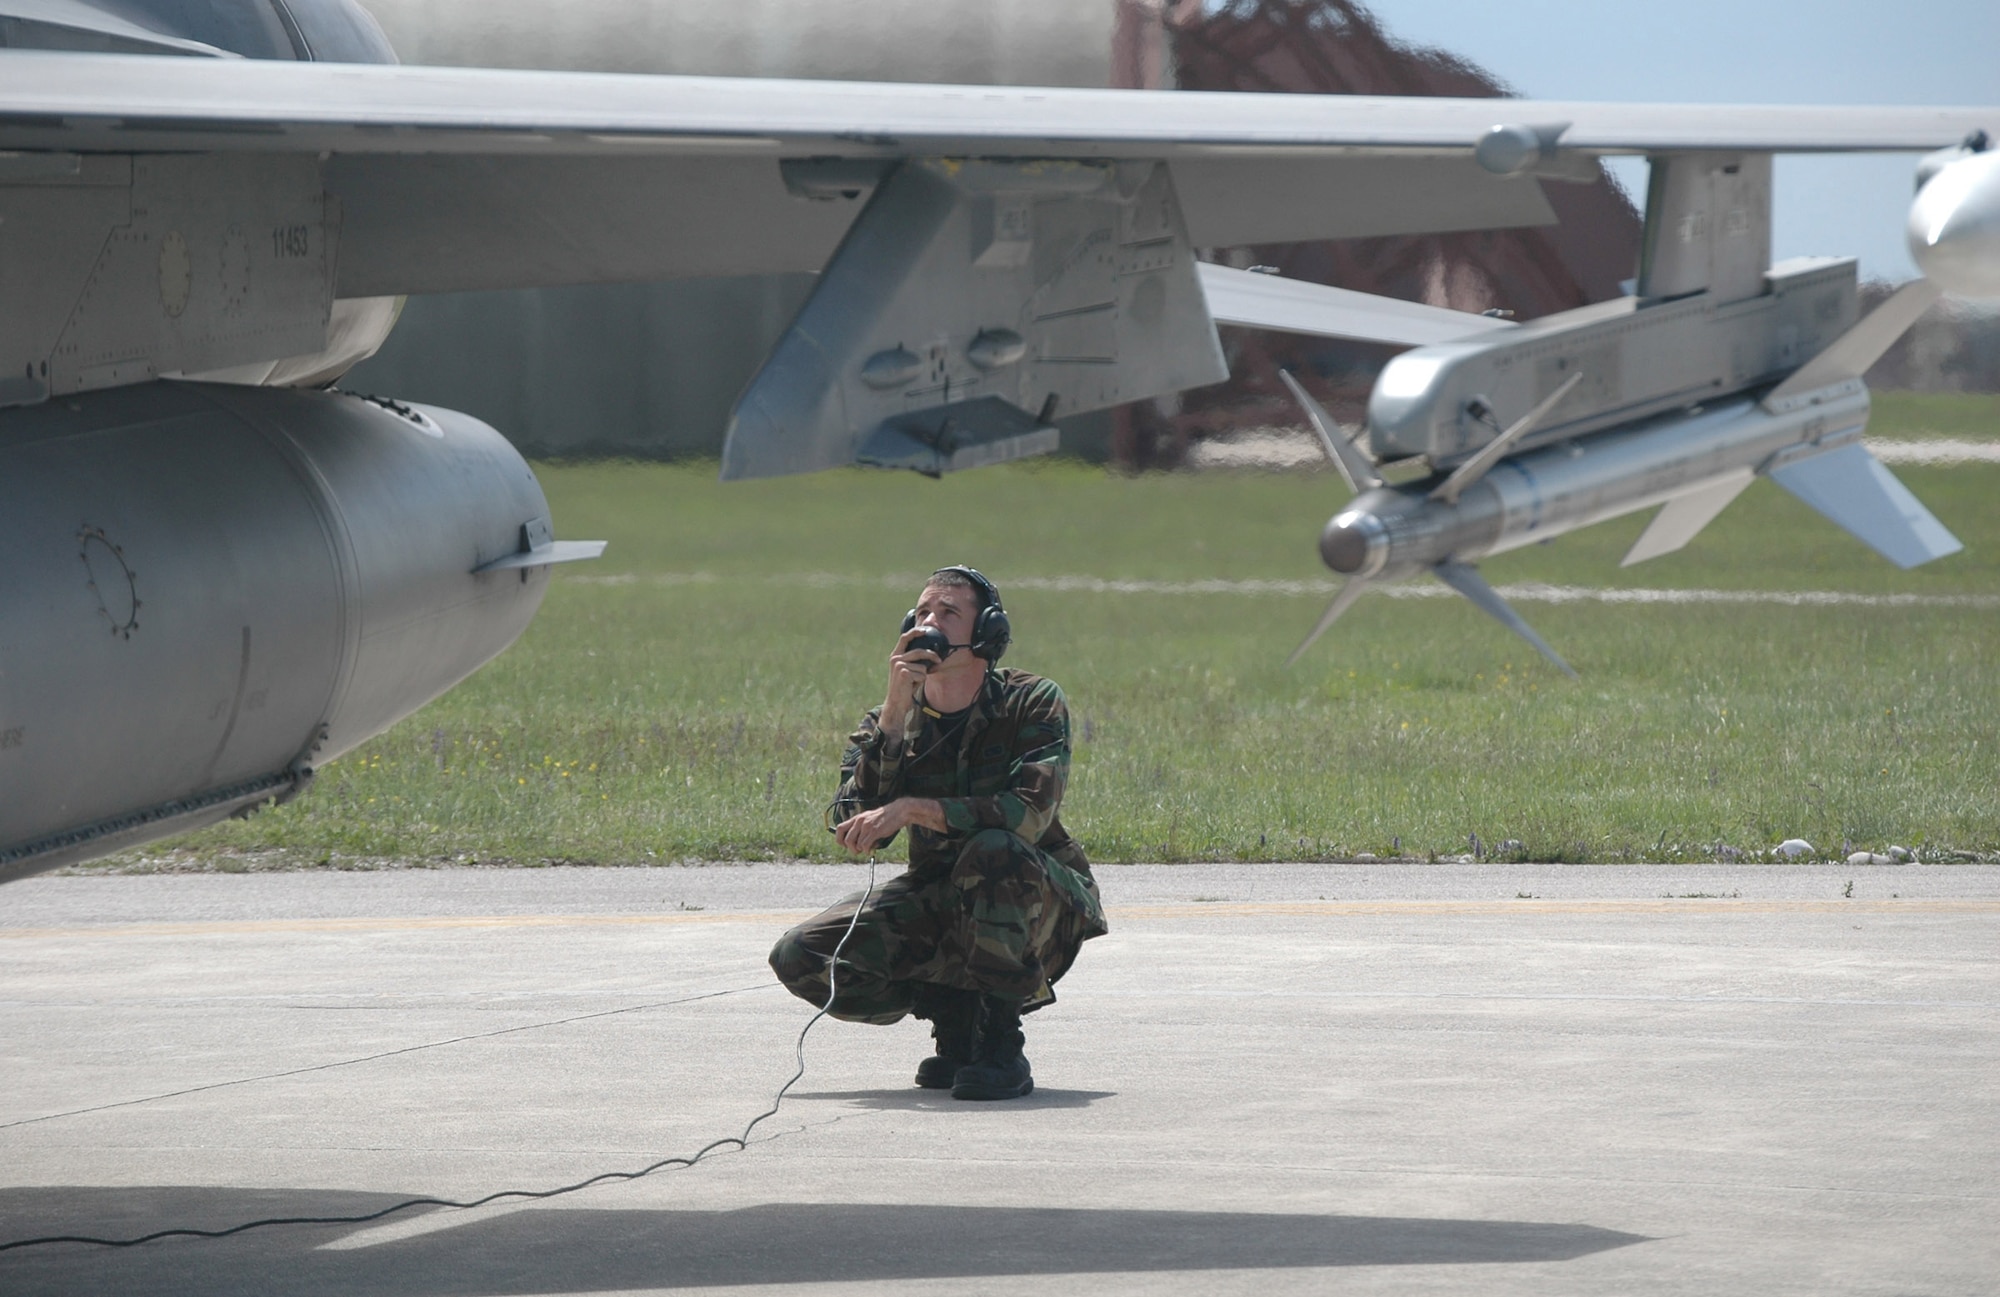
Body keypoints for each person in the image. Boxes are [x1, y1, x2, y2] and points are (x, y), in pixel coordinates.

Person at [769, 566, 1106, 1101]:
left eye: (949, 613)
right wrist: (897, 716)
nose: (930, 623)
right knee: (799, 956)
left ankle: (1000, 1043)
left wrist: (912, 809)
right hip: (941, 896)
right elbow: (850, 820)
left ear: (987, 632)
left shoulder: (1031, 701)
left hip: (1036, 900)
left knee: (992, 851)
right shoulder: (889, 718)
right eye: (923, 612)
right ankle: (954, 1016)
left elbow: (1027, 816)